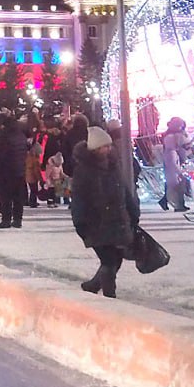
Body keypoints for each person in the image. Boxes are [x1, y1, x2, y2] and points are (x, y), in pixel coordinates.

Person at [70, 127, 140, 299]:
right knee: (108, 260)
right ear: (94, 149)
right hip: (95, 222)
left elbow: (123, 190)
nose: (108, 149)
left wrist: (133, 211)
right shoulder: (84, 170)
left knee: (116, 259)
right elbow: (78, 199)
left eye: (109, 146)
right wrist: (80, 223)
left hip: (117, 220)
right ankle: (110, 297)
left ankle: (93, 285)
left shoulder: (113, 166)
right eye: (104, 146)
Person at [0, 115, 28, 229]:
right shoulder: (21, 137)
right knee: (18, 197)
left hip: (5, 172)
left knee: (5, 196)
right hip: (19, 171)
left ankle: (6, 219)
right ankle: (17, 220)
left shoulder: (3, 138)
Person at [160, 117, 191, 213]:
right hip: (174, 162)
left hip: (175, 160)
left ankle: (173, 202)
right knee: (176, 185)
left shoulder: (173, 136)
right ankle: (178, 204)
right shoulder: (171, 138)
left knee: (174, 184)